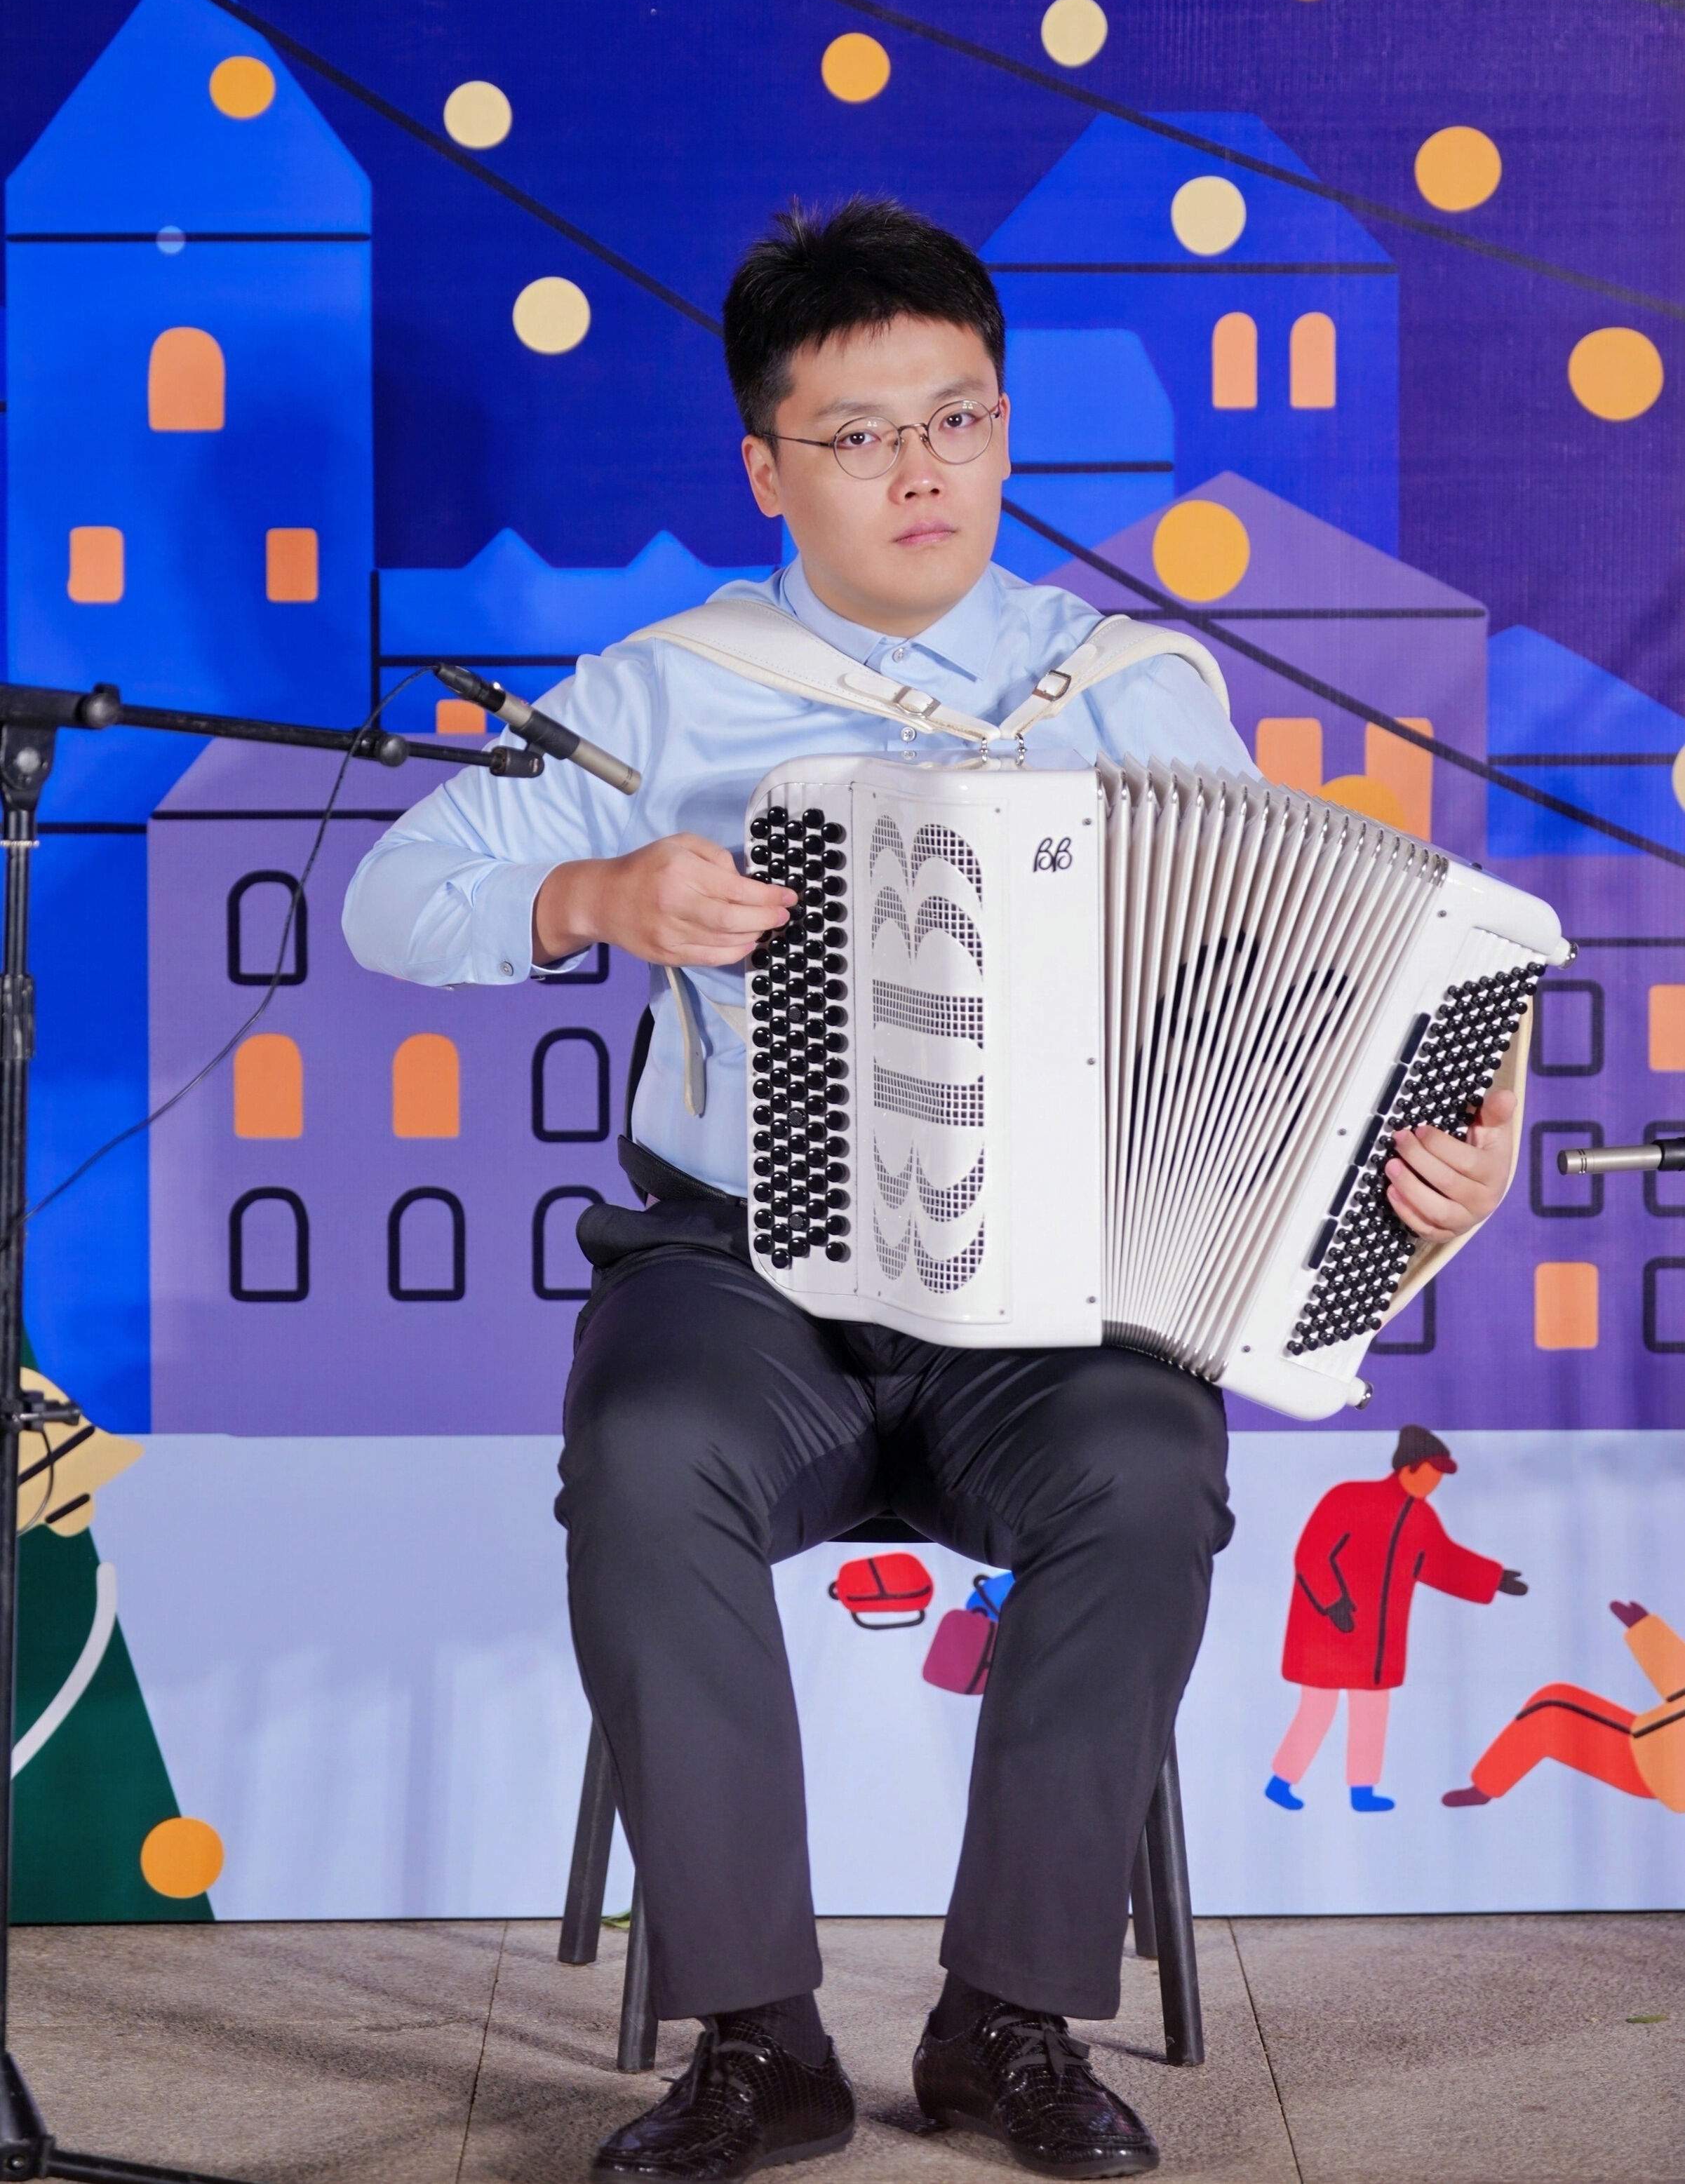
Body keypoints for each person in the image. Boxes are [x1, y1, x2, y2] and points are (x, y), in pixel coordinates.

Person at [344, 201, 1519, 2182]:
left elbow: (1278, 1014)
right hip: (744, 1273)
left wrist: (1419, 1176)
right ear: (766, 468)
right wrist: (595, 892)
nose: (920, 473)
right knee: (645, 1448)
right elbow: (396, 897)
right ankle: (759, 2044)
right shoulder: (662, 690)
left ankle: (1008, 2025)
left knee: (1148, 1465)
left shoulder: (1129, 688)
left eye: (959, 421)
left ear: (1004, 431)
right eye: (862, 434)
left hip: (1061, 1286)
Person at [1266, 1424, 1527, 1815]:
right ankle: (1281, 1782)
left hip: (1375, 1642)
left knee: (1372, 1712)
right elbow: (1311, 1553)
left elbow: (1442, 1560)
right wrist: (1333, 1602)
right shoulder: (1348, 1498)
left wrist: (1494, 1578)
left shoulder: (1420, 1517)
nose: (1436, 1483)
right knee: (1318, 1709)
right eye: (1433, 1473)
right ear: (1410, 1467)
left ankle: (1362, 1791)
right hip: (1328, 1630)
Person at [1444, 1601, 1684, 1811]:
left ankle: (1485, 1788)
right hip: (1651, 1739)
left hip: (1655, 1771)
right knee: (1554, 1696)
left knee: (1549, 1718)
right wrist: (1644, 1628)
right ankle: (1487, 1785)